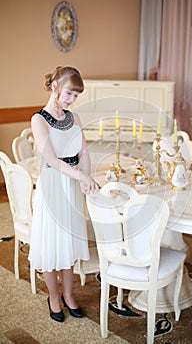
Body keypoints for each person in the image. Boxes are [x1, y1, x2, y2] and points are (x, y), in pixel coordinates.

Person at [28, 66, 99, 322]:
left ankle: (69, 294)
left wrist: (85, 177)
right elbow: (50, 158)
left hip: (70, 186)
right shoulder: (39, 119)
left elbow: (84, 153)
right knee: (51, 242)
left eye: (76, 96)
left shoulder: (75, 118)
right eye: (69, 93)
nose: (71, 99)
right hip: (52, 184)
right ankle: (54, 296)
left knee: (68, 240)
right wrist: (81, 175)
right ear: (55, 85)